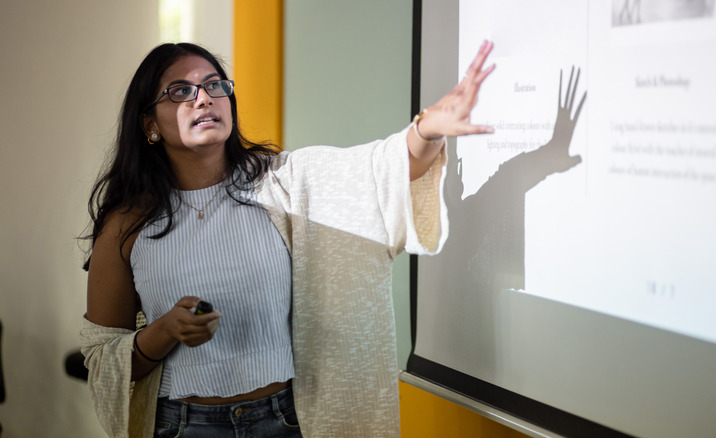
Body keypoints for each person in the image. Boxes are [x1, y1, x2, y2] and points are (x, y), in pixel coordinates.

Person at [80, 40, 494, 438]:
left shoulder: (285, 183)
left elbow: (380, 170)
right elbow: (103, 359)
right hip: (183, 425)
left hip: (285, 420)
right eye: (181, 91)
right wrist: (166, 330)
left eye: (214, 85)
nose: (203, 98)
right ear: (150, 124)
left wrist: (428, 129)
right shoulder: (127, 224)